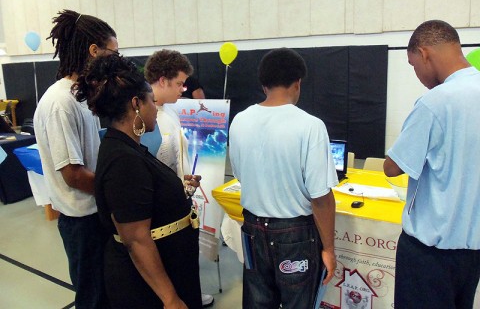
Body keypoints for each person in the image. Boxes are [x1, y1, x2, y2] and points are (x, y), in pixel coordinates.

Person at [74, 54, 202, 308]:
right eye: (151, 102)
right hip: (147, 289)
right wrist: (170, 298)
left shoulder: (130, 148)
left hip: (172, 264)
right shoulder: (122, 159)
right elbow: (135, 239)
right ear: (136, 104)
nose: (156, 108)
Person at [229, 47, 338, 308]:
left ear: (263, 84)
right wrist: (329, 249)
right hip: (295, 235)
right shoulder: (310, 125)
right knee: (297, 302)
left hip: (253, 229)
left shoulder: (239, 121)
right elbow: (320, 197)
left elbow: (241, 175)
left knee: (257, 301)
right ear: (298, 83)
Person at [384, 20, 480, 308]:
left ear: (424, 54)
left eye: (414, 66)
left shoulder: (434, 102)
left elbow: (392, 166)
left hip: (429, 253)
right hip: (472, 250)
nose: (418, 75)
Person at [33, 9, 118, 308]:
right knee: (92, 297)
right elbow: (73, 174)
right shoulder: (60, 103)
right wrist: (118, 191)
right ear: (94, 51)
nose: (115, 60)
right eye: (113, 52)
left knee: (107, 292)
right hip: (82, 221)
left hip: (95, 214)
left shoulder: (81, 96)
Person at [144, 49, 214, 308]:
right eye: (178, 83)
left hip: (180, 198)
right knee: (168, 260)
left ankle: (189, 294)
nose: (183, 89)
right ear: (162, 80)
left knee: (184, 260)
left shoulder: (170, 111)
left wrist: (185, 179)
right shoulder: (145, 119)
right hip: (162, 208)